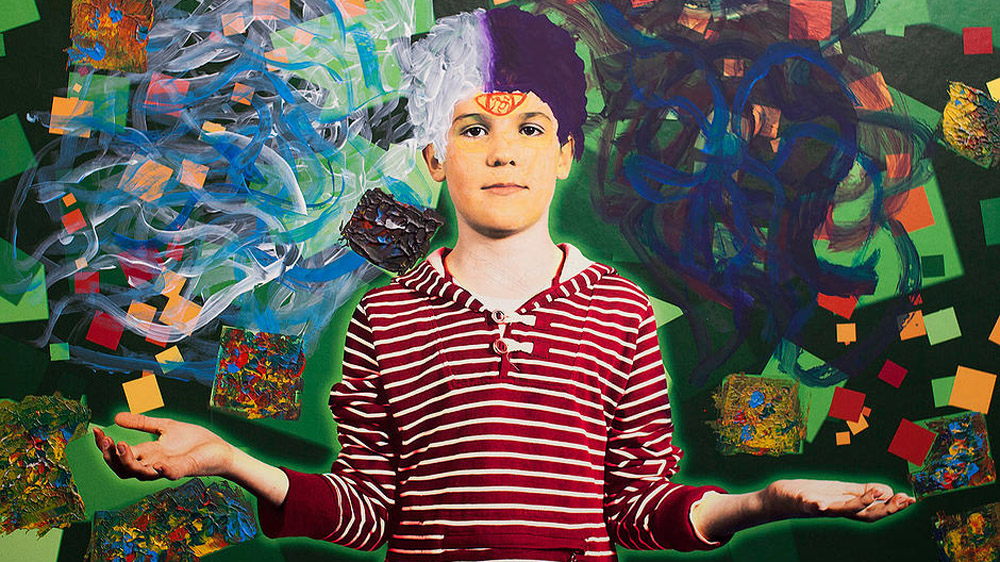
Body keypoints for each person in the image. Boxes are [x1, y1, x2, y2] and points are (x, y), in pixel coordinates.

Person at [93, 6, 915, 561]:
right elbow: (369, 510)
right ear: (432, 157)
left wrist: (766, 502)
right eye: (472, 127)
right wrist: (230, 460)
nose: (502, 151)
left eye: (530, 126)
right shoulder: (385, 316)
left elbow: (637, 509)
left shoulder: (620, 311)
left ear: (564, 153)